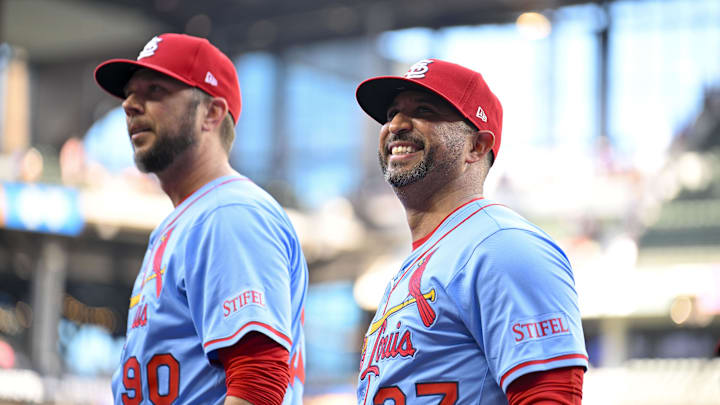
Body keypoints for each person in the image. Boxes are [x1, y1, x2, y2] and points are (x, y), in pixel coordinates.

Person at [354, 59, 588, 404]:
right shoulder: (420, 261)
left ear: (476, 147)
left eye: (424, 110)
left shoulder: (502, 245)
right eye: (391, 113)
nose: (397, 125)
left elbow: (551, 396)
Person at [94, 33, 307, 405]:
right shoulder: (187, 219)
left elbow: (258, 380)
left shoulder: (230, 213)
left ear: (211, 113)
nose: (129, 104)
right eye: (129, 93)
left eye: (155, 90)